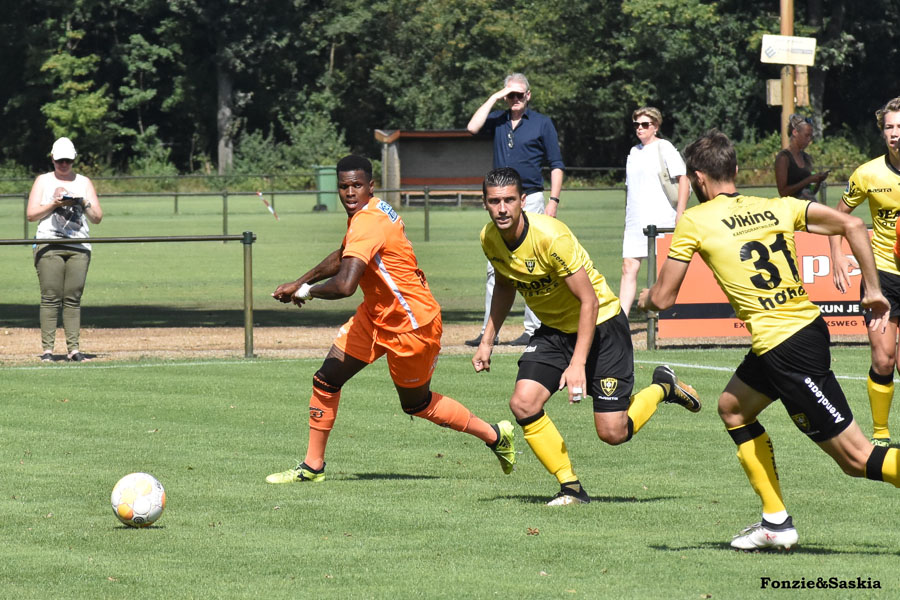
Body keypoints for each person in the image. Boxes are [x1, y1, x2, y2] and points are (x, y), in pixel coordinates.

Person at [640, 129, 900, 551]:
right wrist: (872, 288)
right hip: (794, 334)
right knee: (732, 409)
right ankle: (776, 524)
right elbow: (853, 223)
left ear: (699, 179)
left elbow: (664, 298)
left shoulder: (695, 221)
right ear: (736, 171)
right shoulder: (775, 206)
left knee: (858, 459)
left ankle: (777, 524)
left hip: (788, 347)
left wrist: (644, 298)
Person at [266, 155, 516, 484]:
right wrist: (301, 281)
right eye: (344, 186)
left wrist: (306, 292)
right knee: (326, 380)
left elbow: (344, 285)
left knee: (417, 403)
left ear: (371, 186)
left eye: (357, 185)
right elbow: (344, 254)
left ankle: (496, 436)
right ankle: (313, 467)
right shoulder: (370, 212)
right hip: (375, 315)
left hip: (412, 325)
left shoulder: (368, 222)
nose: (350, 192)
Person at [472, 167, 700, 506]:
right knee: (523, 403)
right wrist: (488, 339)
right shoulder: (488, 238)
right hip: (554, 331)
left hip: (602, 325)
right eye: (494, 202)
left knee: (613, 433)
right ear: (485, 204)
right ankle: (571, 489)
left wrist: (578, 364)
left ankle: (663, 387)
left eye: (508, 200)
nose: (502, 209)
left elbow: (589, 301)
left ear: (522, 201)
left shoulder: (552, 237)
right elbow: (505, 284)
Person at [465, 73, 565, 347]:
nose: (515, 100)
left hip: (531, 198)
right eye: (511, 95)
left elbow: (556, 164)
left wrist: (553, 201)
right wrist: (496, 97)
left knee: (535, 264)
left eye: (520, 95)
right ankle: (490, 331)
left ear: (529, 95)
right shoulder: (498, 120)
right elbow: (472, 128)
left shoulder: (542, 123)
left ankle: (533, 330)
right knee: (494, 265)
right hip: (501, 199)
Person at [829, 96, 900, 448]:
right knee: (883, 358)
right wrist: (837, 254)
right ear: (881, 131)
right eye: (889, 127)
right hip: (882, 276)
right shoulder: (868, 174)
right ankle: (881, 434)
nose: (895, 134)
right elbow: (839, 216)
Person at [26, 137, 102, 363]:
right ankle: (48, 350)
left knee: (73, 298)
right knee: (50, 297)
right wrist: (55, 204)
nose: (63, 164)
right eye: (60, 160)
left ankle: (74, 349)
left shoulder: (84, 182)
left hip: (78, 246)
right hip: (49, 244)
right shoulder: (43, 181)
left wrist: (82, 202)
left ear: (74, 159)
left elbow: (97, 218)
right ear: (52, 158)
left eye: (67, 160)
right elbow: (31, 215)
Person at [618, 107, 690, 319]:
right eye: (637, 124)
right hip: (635, 219)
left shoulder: (665, 147)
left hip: (661, 216)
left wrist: (680, 213)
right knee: (628, 266)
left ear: (656, 127)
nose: (640, 128)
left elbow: (683, 179)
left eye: (645, 124)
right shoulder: (633, 152)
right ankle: (620, 322)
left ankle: (663, 317)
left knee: (662, 269)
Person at [774, 113, 829, 202]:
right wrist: (808, 180)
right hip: (793, 210)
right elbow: (783, 193)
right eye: (806, 135)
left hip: (809, 207)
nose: (809, 140)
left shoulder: (806, 157)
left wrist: (818, 181)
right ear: (795, 132)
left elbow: (811, 192)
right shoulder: (783, 158)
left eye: (811, 136)